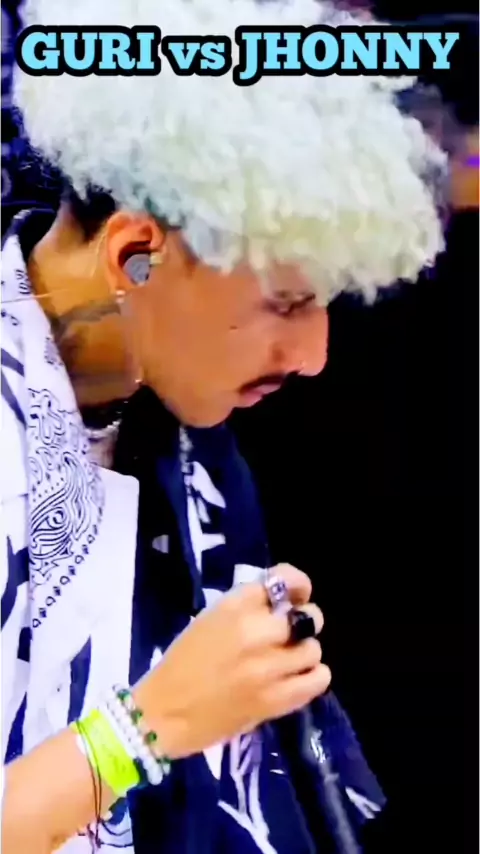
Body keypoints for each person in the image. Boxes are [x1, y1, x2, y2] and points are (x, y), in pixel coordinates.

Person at [1, 0, 446, 852]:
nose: (313, 355)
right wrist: (145, 727)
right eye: (286, 302)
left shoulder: (190, 447)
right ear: (134, 255)